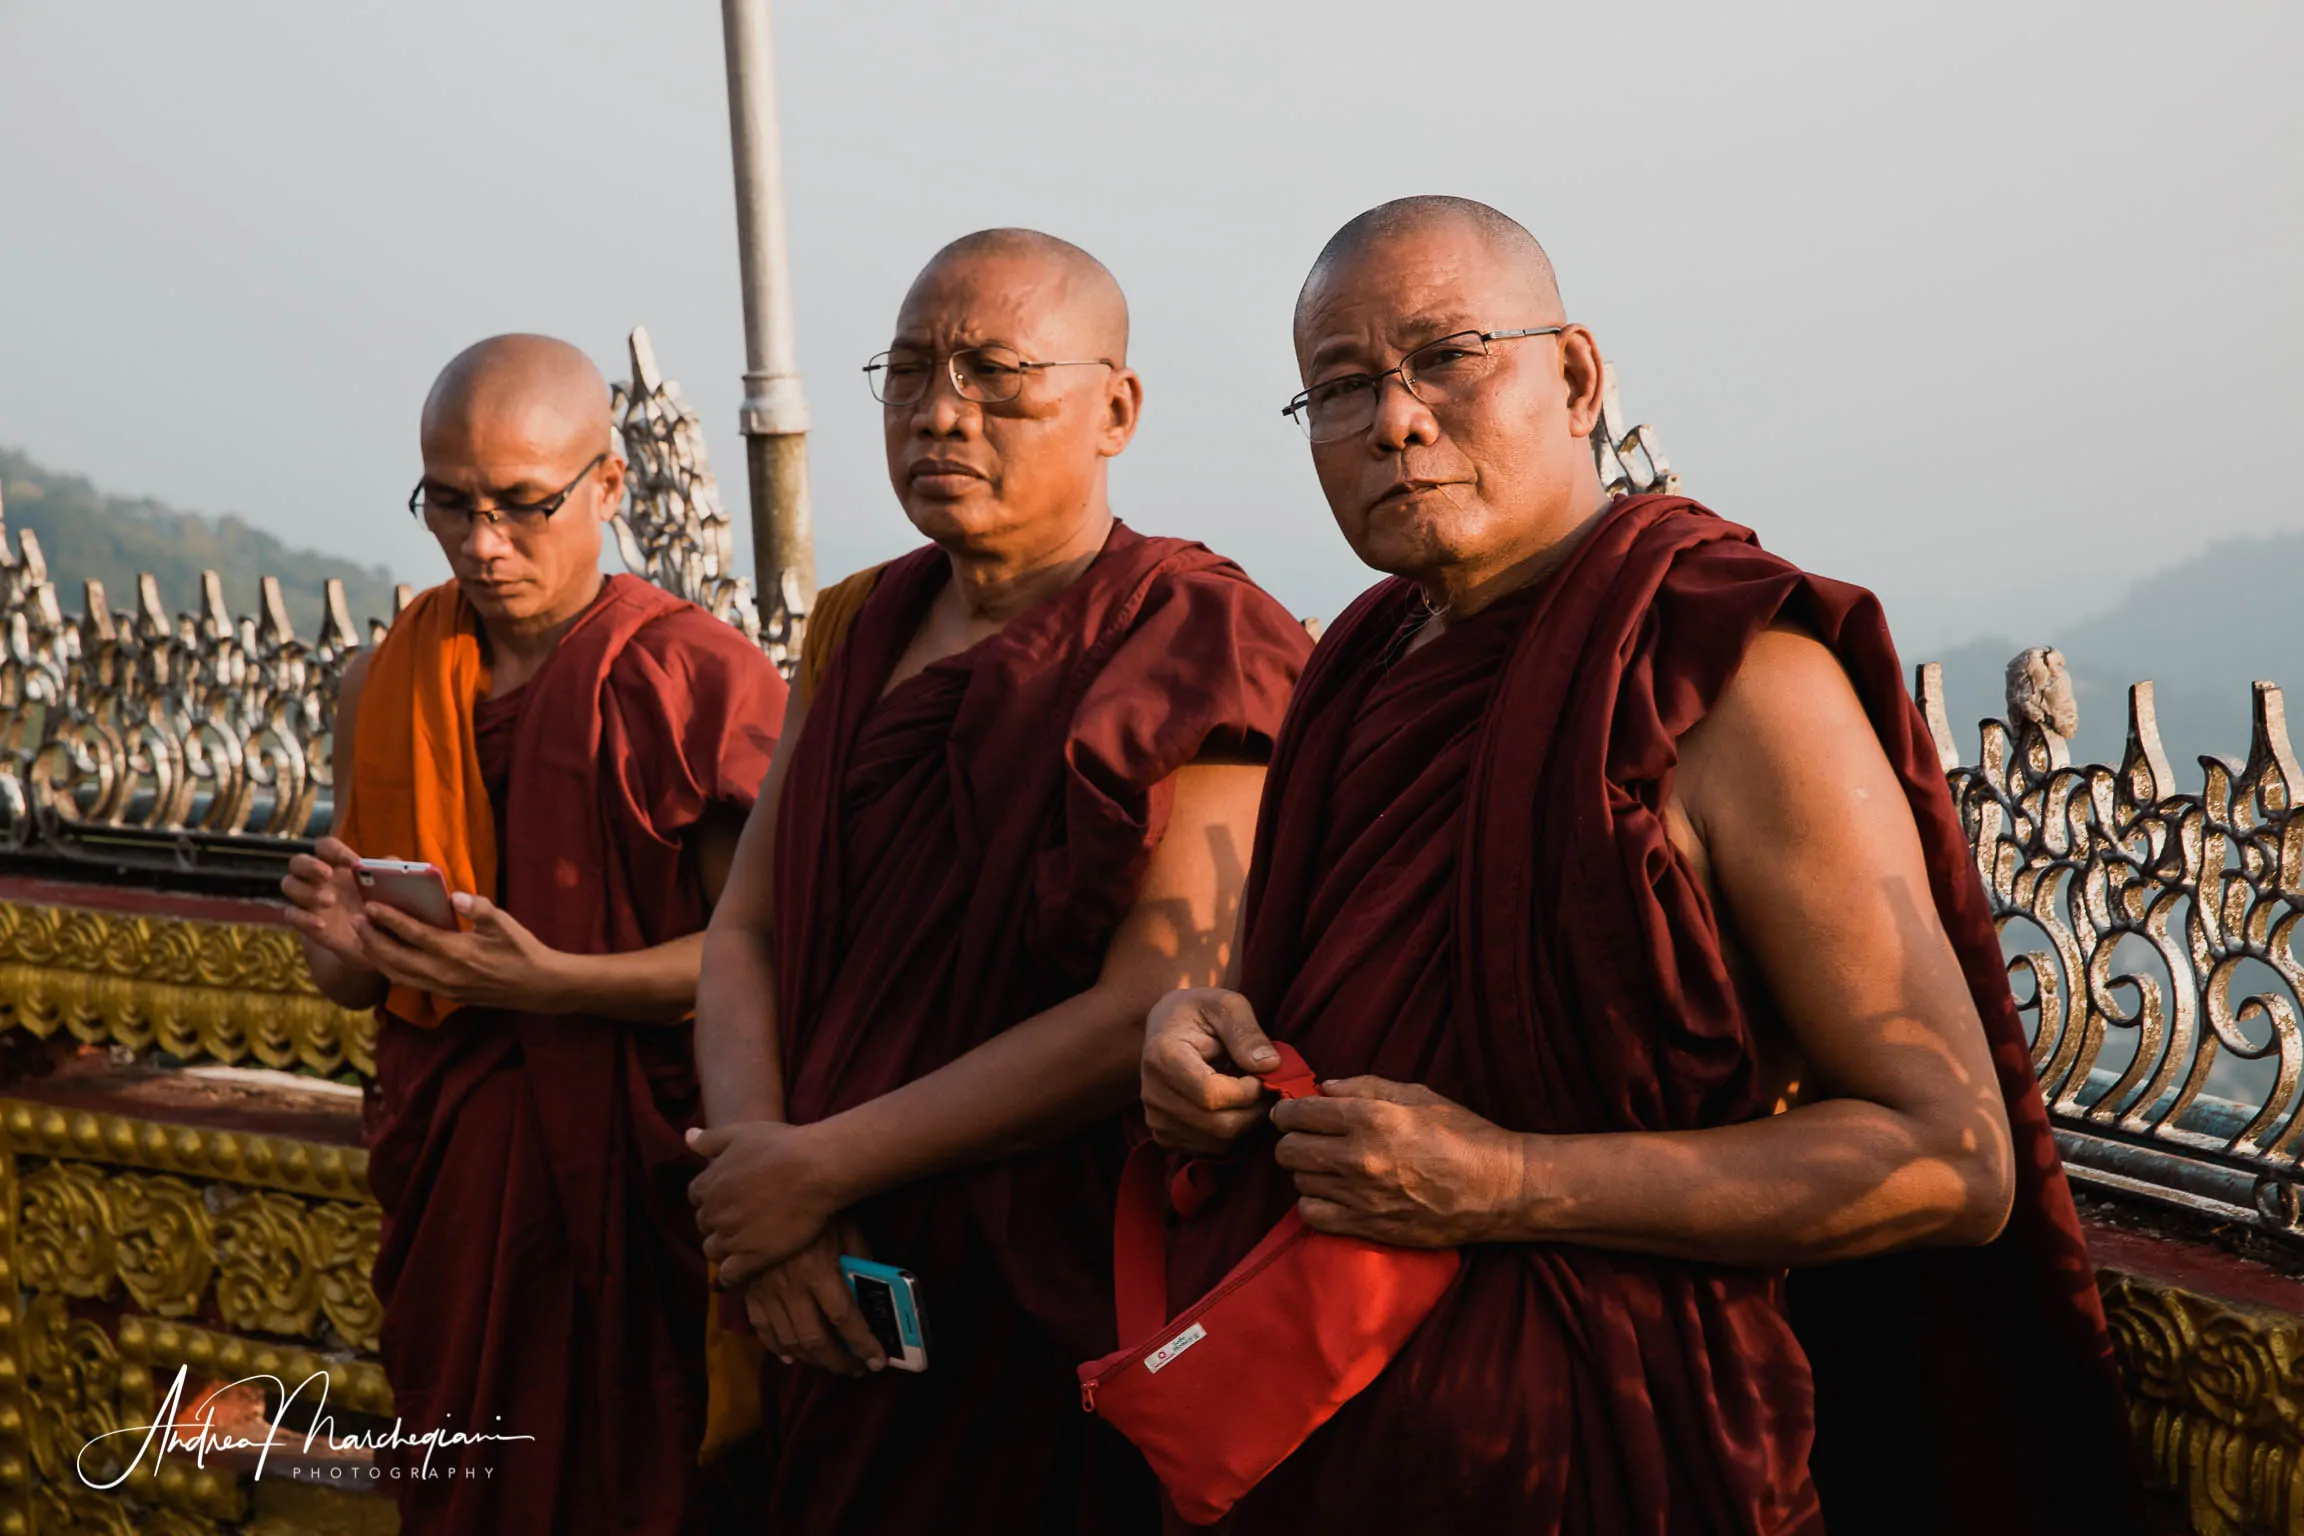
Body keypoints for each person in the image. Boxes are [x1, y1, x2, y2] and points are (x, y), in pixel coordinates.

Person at [1140, 198, 2140, 1535]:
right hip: (1330, 1434)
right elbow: (1337, 1014)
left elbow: (1951, 1160)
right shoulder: (1358, 669)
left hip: (1623, 1450)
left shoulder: (1718, 672)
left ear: (1576, 375)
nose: (1394, 419)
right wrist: (1204, 1037)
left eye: (1448, 357)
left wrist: (1504, 1185)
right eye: (1339, 386)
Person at [686, 229, 1312, 1534]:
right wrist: (763, 1188)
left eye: (995, 373)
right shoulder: (860, 620)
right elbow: (741, 930)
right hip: (831, 1269)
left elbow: (1155, 995)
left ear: (1115, 409)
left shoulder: (1197, 636)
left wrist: (815, 1170)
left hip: (1050, 1284)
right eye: (908, 374)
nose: (939, 414)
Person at [280, 334, 786, 1535]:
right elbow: (357, 986)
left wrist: (551, 982)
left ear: (608, 487)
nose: (482, 544)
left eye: (522, 506)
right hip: (457, 1165)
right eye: (448, 506)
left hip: (640, 1169)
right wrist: (345, 945)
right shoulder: (391, 679)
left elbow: (764, 952)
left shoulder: (689, 679)